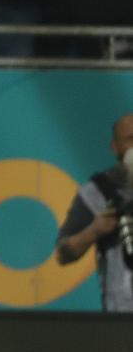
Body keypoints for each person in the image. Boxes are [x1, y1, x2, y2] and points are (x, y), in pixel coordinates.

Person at [55, 113, 133, 311]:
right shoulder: (98, 190)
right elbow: (63, 254)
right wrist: (94, 231)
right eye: (131, 140)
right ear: (115, 148)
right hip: (123, 318)